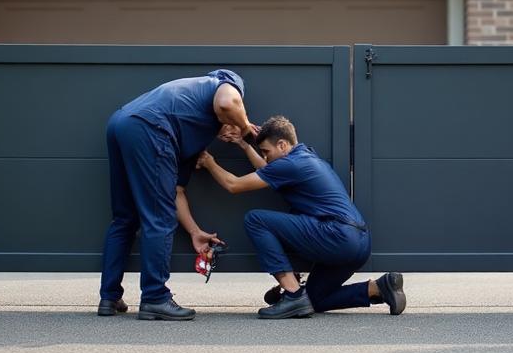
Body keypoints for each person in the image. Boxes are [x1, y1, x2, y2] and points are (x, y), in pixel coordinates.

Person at [196, 115, 405, 319]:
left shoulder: (292, 165)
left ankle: (292, 293)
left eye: (267, 152)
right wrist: (244, 144)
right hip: (359, 242)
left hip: (336, 235)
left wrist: (208, 161)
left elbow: (234, 185)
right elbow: (268, 170)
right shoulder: (305, 157)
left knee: (256, 220)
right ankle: (379, 287)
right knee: (314, 300)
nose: (266, 157)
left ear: (282, 145)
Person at [98, 69, 257, 320]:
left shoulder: (190, 130)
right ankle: (155, 298)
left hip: (121, 122)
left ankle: (108, 297)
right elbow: (227, 102)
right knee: (158, 218)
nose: (230, 129)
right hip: (149, 128)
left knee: (125, 218)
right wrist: (246, 128)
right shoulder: (223, 81)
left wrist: (194, 231)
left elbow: (176, 192)